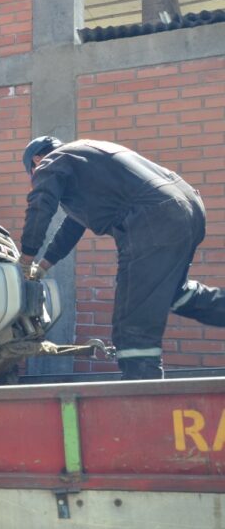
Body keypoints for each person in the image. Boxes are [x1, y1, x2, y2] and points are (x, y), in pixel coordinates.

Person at [18, 137, 225, 379]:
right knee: (173, 293)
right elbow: (72, 226)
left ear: (36, 160)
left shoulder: (52, 161)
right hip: (186, 207)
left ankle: (141, 393)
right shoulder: (84, 158)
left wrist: (25, 260)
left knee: (132, 318)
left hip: (152, 219)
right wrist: (43, 266)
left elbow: (41, 204)